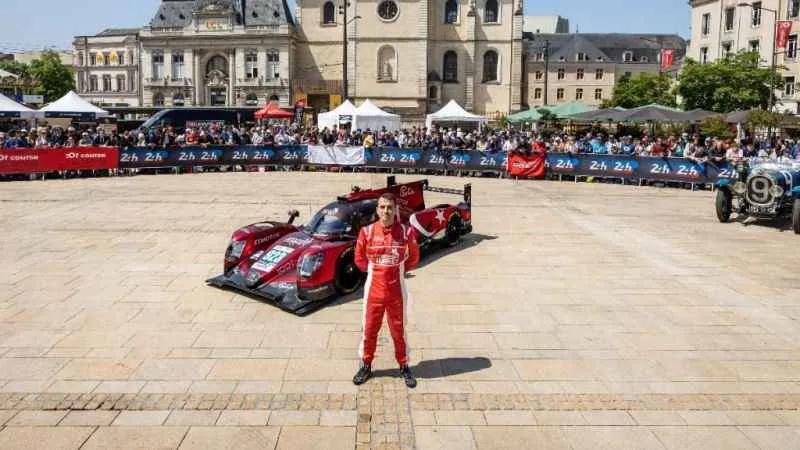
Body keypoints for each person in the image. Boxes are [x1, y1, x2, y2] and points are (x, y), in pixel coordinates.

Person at [352, 193, 420, 388]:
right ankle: (366, 364)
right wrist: (376, 271)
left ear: (395, 210)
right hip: (373, 291)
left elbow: (414, 257)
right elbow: (359, 260)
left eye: (389, 207)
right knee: (369, 329)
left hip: (397, 292)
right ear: (377, 210)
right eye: (382, 207)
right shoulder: (366, 232)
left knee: (399, 330)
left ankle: (404, 365)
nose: (386, 211)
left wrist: (398, 271)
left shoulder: (406, 232)